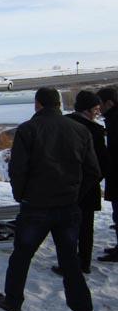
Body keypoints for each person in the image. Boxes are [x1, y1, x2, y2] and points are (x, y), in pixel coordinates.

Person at [0, 88, 101, 311]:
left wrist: (21, 195)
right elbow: (93, 171)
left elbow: (18, 169)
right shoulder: (80, 130)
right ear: (59, 104)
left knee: (22, 255)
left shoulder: (28, 130)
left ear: (37, 104)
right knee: (70, 263)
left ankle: (13, 301)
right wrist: (75, 195)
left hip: (36, 207)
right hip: (67, 207)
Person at [50, 91, 108, 274]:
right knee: (85, 227)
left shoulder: (64, 124)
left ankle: (69, 263)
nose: (98, 112)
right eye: (96, 109)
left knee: (68, 227)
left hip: (66, 184)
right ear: (87, 109)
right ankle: (83, 262)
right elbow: (101, 164)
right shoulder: (96, 131)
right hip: (88, 187)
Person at [97, 87, 118, 261]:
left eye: (100, 104)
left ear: (109, 103)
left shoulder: (114, 120)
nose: (99, 108)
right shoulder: (112, 119)